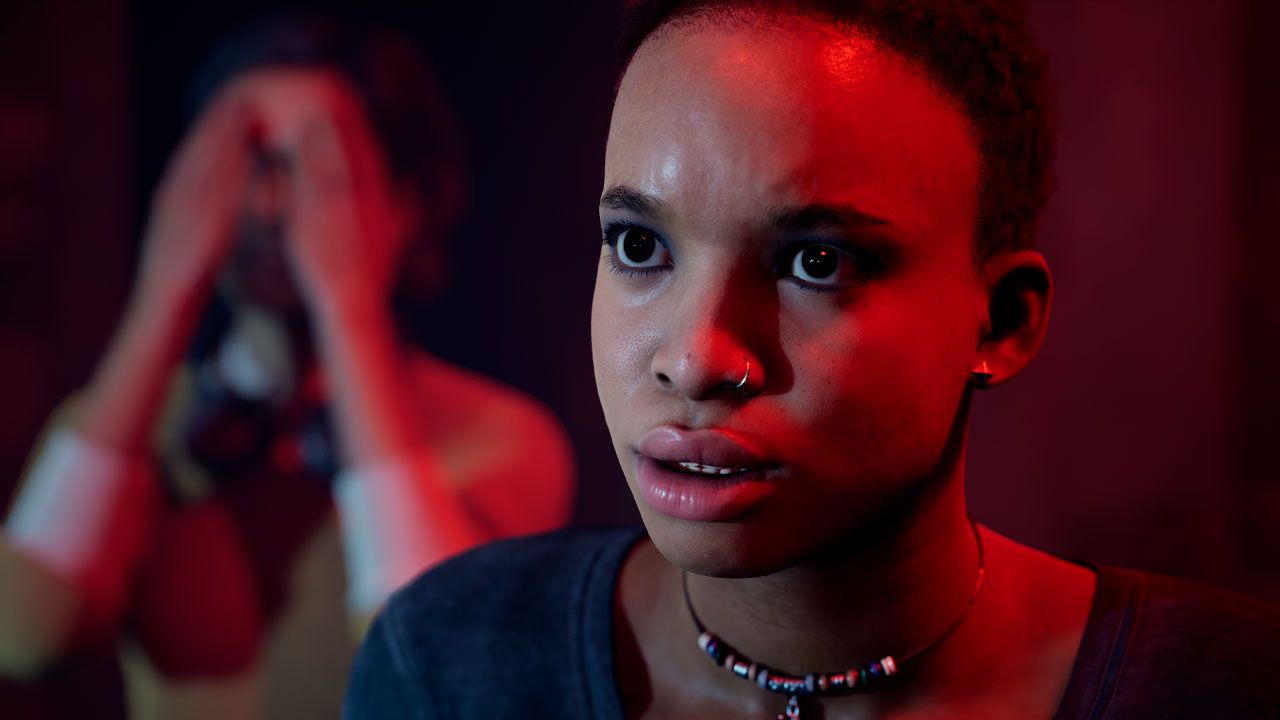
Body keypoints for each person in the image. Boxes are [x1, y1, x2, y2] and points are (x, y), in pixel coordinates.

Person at [343, 1, 1280, 718]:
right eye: (638, 245)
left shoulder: (1227, 690)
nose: (695, 361)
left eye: (815, 263)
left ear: (1000, 321)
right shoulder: (450, 666)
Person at [0, 16, 575, 719]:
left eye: (316, 168)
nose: (269, 207)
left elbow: (438, 671)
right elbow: (23, 637)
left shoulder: (501, 436)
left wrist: (349, 313)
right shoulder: (131, 427)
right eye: (245, 166)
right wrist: (163, 296)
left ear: (407, 202)